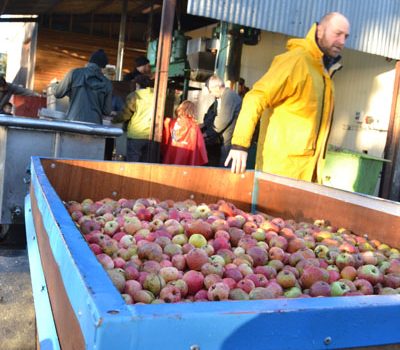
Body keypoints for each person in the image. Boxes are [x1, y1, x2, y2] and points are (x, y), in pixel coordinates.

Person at [225, 12, 350, 183]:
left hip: (305, 177)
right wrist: (240, 145)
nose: (342, 41)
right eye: (337, 34)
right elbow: (256, 97)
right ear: (320, 31)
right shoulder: (296, 61)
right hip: (280, 175)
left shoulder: (324, 74)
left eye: (346, 36)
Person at [53, 49, 112, 124]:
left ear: (89, 62)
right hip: (95, 126)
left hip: (74, 122)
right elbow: (107, 111)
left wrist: (53, 85)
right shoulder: (107, 83)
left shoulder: (74, 73)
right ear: (103, 67)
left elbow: (58, 93)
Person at [202, 75, 242, 166]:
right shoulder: (224, 97)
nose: (211, 94)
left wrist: (206, 134)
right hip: (227, 139)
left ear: (217, 87)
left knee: (225, 165)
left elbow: (222, 120)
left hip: (230, 141)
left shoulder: (229, 97)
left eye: (211, 91)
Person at [112, 75, 154, 162]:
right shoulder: (155, 95)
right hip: (151, 135)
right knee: (146, 163)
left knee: (132, 162)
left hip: (136, 134)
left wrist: (114, 119)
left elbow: (126, 115)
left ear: (137, 85)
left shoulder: (134, 95)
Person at [162, 100, 208, 166]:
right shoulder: (194, 126)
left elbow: (165, 139)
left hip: (172, 154)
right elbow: (200, 146)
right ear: (193, 112)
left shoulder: (172, 123)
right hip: (187, 156)